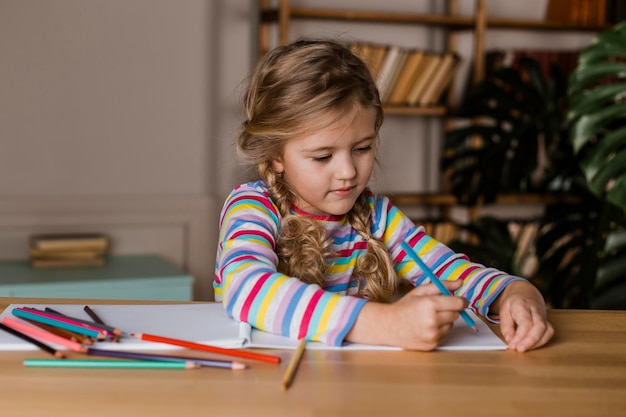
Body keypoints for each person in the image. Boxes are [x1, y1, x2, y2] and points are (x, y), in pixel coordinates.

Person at [214, 38, 554, 352]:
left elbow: (451, 273)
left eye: (362, 148)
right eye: (323, 156)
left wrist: (515, 293)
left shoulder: (378, 217)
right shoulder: (253, 207)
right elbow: (246, 287)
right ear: (275, 156)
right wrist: (385, 323)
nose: (348, 171)